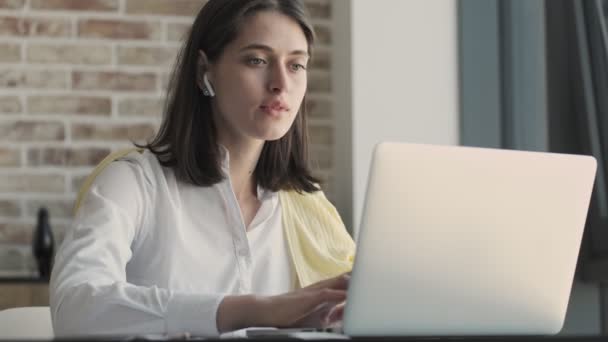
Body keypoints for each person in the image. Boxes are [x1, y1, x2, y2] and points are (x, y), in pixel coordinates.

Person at [49, 0, 355, 338]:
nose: (281, 83)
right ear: (203, 70)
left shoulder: (306, 207)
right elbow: (74, 308)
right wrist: (259, 310)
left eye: (296, 65)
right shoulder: (133, 184)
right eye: (257, 60)